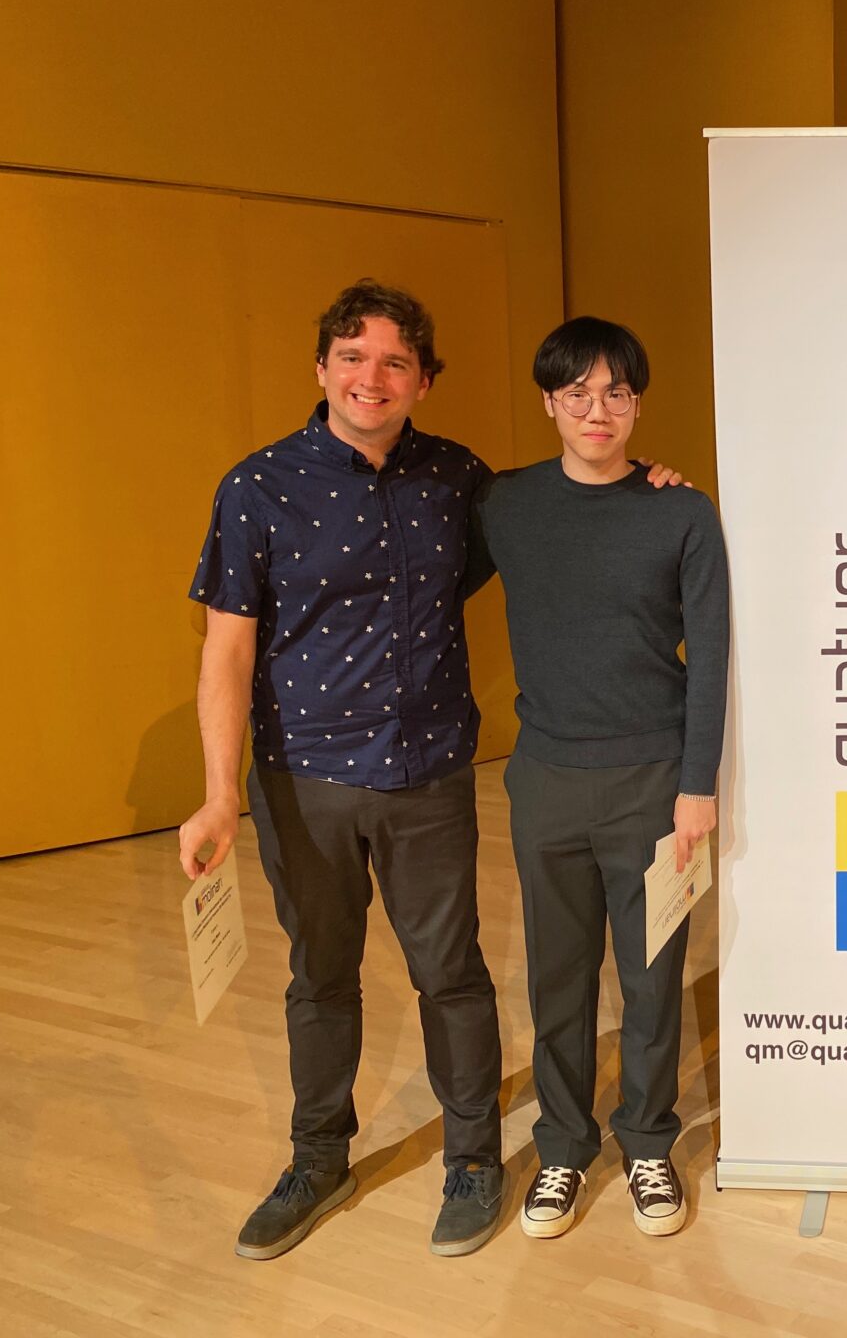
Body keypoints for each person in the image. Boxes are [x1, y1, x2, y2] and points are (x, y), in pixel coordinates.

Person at [176, 280, 681, 1260]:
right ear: (322, 368)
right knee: (320, 977)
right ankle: (317, 1158)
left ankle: (474, 1159)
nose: (371, 378)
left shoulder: (460, 482)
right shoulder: (257, 487)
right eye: (353, 357)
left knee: (451, 975)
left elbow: (564, 511)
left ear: (423, 380)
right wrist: (217, 793)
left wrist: (642, 484)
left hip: (430, 773)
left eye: (395, 362)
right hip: (304, 779)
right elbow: (226, 649)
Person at [471, 316, 728, 1241]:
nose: (597, 410)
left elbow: (713, 654)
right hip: (545, 779)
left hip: (654, 783)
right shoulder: (504, 505)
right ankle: (565, 1148)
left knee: (654, 978)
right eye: (576, 392)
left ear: (637, 405)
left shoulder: (681, 512)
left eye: (616, 392)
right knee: (559, 977)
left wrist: (697, 784)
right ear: (548, 402)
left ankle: (649, 1141)